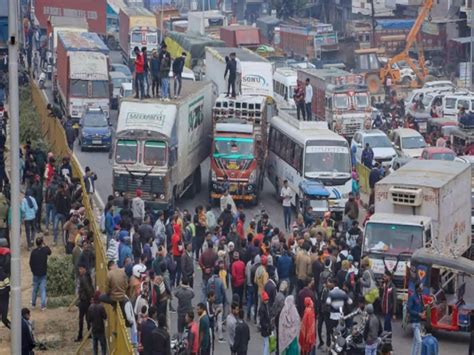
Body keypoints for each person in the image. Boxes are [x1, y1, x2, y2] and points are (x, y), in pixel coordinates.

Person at [29, 236, 51, 311]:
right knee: (43, 290)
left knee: (35, 289)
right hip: (43, 273)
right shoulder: (44, 250)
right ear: (41, 243)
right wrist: (45, 244)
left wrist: (33, 271)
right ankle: (43, 306)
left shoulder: (33, 252)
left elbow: (30, 263)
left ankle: (33, 304)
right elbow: (50, 252)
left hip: (35, 274)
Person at [76, 263, 94, 342]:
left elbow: (87, 289)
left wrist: (90, 298)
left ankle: (80, 335)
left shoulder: (83, 278)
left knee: (81, 318)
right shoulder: (87, 276)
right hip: (86, 300)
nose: (79, 270)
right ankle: (89, 333)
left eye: (80, 269)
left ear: (84, 269)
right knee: (87, 317)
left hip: (84, 300)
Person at [87, 291, 107, 355]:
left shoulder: (90, 307)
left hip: (94, 329)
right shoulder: (101, 307)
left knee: (95, 346)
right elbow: (105, 317)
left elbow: (88, 319)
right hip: (101, 329)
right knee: (103, 346)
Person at [407, 283, 424, 355]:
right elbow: (409, 309)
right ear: (417, 288)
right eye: (421, 287)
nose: (422, 288)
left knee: (415, 342)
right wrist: (418, 314)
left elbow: (421, 307)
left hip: (418, 322)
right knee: (419, 341)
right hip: (414, 322)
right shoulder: (412, 297)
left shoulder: (420, 296)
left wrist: (425, 308)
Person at [0, 238, 10, 329]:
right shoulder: (7, 253)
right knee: (3, 317)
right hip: (5, 275)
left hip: (3, 294)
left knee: (3, 317)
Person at [259, 291, 272, 355]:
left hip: (266, 328)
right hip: (265, 328)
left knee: (265, 342)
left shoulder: (265, 306)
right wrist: (266, 326)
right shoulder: (263, 308)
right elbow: (261, 320)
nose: (267, 300)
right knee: (266, 343)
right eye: (266, 299)